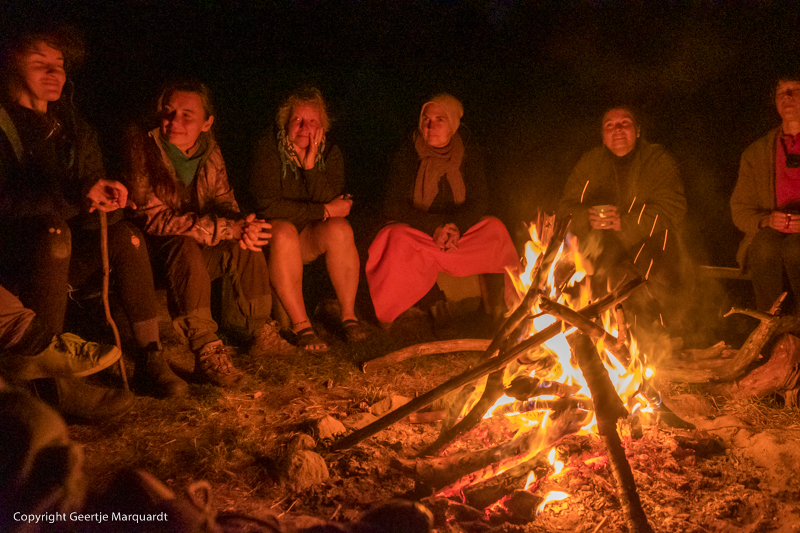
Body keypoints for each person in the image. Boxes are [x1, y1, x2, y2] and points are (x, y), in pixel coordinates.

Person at [0, 26, 188, 402]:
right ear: (8, 65)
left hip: (64, 254)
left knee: (127, 236)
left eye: (60, 64)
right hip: (13, 260)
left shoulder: (71, 126)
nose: (55, 74)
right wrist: (75, 199)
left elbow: (84, 196)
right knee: (53, 232)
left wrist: (105, 200)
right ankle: (49, 378)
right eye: (41, 64)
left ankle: (151, 357)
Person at [126, 80, 296, 387]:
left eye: (187, 115)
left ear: (207, 123)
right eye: (169, 112)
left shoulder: (209, 151)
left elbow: (224, 201)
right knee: (186, 245)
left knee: (245, 243)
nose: (174, 121)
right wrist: (228, 228)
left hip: (199, 248)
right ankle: (207, 350)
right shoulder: (143, 148)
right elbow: (152, 218)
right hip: (154, 256)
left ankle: (257, 331)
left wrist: (245, 226)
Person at [365, 93, 520, 327]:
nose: (431, 126)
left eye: (440, 120)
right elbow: (393, 204)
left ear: (453, 125)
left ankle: (503, 308)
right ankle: (395, 312)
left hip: (457, 233)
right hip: (421, 231)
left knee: (494, 229)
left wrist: (457, 227)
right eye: (426, 119)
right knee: (394, 236)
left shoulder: (468, 152)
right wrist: (433, 227)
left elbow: (480, 201)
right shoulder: (408, 152)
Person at [249, 87, 366, 353]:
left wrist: (311, 167)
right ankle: (302, 326)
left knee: (339, 228)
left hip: (307, 237)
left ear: (322, 126)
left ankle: (348, 317)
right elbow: (269, 205)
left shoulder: (330, 152)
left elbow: (335, 203)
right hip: (273, 239)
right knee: (284, 231)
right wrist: (323, 211)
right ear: (285, 124)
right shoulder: (268, 148)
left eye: (312, 121)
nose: (305, 127)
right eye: (297, 120)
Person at [558, 106, 687, 338]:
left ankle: (659, 340)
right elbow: (565, 207)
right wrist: (587, 218)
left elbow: (674, 207)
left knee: (647, 267)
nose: (617, 129)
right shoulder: (591, 162)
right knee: (583, 264)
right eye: (609, 125)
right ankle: (591, 338)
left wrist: (624, 224)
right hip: (600, 248)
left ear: (637, 131)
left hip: (651, 245)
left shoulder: (657, 160)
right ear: (603, 136)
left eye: (624, 123)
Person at [731, 74, 800, 312]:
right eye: (782, 92)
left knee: (795, 249)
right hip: (770, 235)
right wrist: (767, 220)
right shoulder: (757, 152)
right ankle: (772, 338)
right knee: (763, 247)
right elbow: (740, 210)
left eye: (796, 90)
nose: (788, 96)